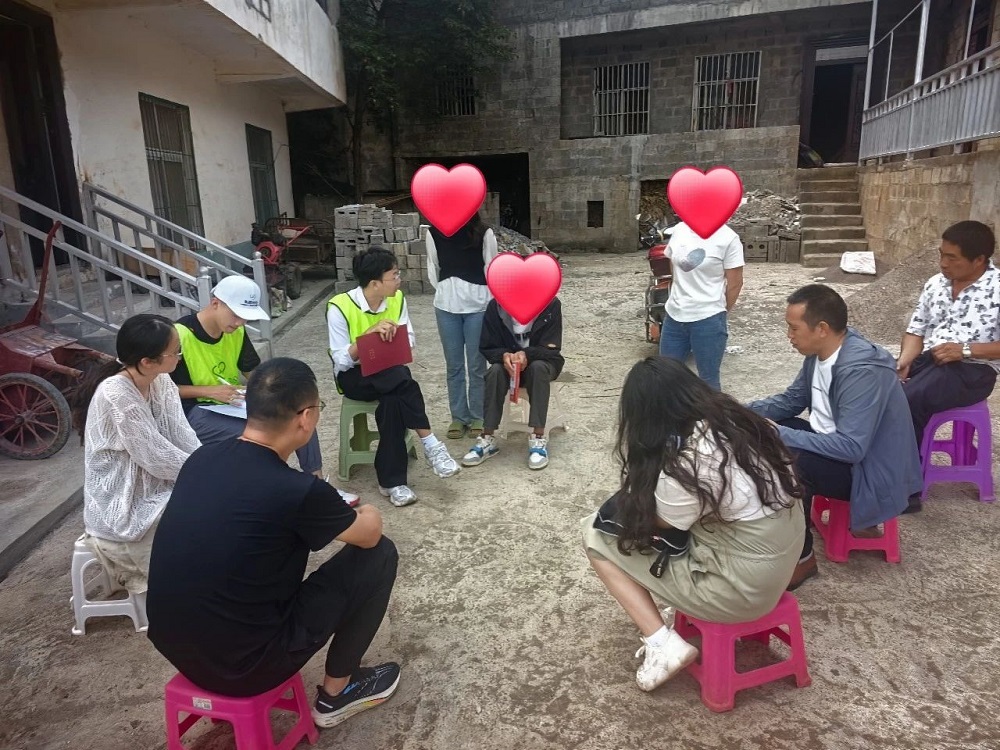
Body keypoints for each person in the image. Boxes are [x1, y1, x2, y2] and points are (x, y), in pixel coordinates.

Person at [147, 358, 401, 729]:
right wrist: (368, 510)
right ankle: (338, 694)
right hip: (247, 668)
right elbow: (370, 534)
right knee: (380, 554)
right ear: (307, 417)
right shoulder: (298, 490)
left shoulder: (202, 458)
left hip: (175, 646)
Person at [582, 357, 803, 692]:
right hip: (781, 564)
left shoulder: (687, 465)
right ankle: (681, 609)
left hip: (743, 591)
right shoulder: (739, 421)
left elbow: (659, 525)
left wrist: (641, 490)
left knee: (596, 536)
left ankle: (662, 644)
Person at [747, 284, 921, 589]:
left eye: (794, 328)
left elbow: (852, 447)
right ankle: (777, 535)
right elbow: (791, 401)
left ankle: (801, 560)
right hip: (838, 449)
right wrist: (741, 412)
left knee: (789, 461)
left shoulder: (862, 369)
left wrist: (780, 433)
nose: (789, 336)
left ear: (822, 329)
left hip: (869, 471)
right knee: (761, 435)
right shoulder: (819, 354)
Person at [170, 275, 355, 501]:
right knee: (264, 434)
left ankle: (317, 487)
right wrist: (209, 391)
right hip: (194, 411)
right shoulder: (179, 335)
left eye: (245, 318)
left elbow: (254, 373)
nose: (240, 323)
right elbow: (162, 391)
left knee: (300, 416)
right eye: (236, 315)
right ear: (215, 303)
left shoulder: (236, 331)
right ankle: (283, 491)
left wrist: (276, 393)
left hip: (234, 404)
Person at [68, 313, 199, 595]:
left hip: (156, 481)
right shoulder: (116, 394)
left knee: (211, 500)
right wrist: (206, 471)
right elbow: (155, 456)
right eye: (175, 352)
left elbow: (182, 434)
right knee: (198, 515)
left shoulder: (161, 381)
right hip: (123, 501)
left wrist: (209, 464)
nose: (180, 356)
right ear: (147, 361)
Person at [327, 246, 460, 507]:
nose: (399, 280)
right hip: (355, 376)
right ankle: (430, 443)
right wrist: (367, 338)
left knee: (393, 399)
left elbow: (409, 338)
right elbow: (340, 360)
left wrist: (394, 337)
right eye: (394, 275)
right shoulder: (339, 306)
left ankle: (393, 483)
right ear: (375, 283)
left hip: (389, 370)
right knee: (401, 379)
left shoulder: (397, 299)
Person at [896, 221, 1000, 513]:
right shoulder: (935, 284)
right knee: (879, 387)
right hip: (931, 360)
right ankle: (872, 470)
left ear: (979, 260)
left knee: (907, 400)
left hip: (974, 370)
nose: (943, 263)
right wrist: (904, 361)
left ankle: (907, 489)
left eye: (952, 258)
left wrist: (965, 349)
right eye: (941, 255)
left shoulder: (997, 288)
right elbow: (916, 330)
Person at [461, 296, 563, 470]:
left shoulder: (550, 303)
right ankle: (487, 437)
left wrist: (527, 354)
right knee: (494, 372)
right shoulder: (496, 306)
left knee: (538, 368)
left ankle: (538, 438)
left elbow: (552, 348)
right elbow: (487, 346)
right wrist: (504, 356)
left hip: (542, 362)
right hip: (508, 365)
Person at [426, 213, 499, 440]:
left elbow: (491, 267)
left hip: (478, 306)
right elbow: (433, 266)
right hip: (446, 306)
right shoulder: (433, 233)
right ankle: (458, 417)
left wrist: (484, 298)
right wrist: (446, 290)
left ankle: (478, 415)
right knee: (454, 366)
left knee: (477, 365)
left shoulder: (484, 233)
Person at [657, 220, 744, 391]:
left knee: (708, 382)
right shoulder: (679, 230)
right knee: (666, 378)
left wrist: (718, 312)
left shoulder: (728, 238)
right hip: (674, 316)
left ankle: (711, 411)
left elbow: (735, 284)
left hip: (708, 320)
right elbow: (672, 264)